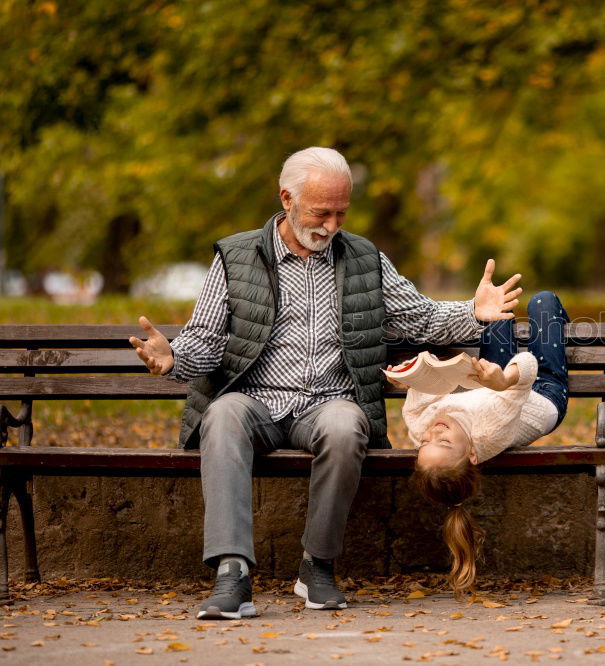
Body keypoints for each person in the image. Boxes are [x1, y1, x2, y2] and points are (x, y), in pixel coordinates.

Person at [128, 147, 522, 619]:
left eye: (341, 212)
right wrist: (173, 358)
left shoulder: (363, 258)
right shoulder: (236, 256)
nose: (332, 225)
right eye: (321, 213)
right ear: (286, 199)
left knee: (345, 424)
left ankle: (318, 564)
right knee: (222, 413)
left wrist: (472, 313)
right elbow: (207, 338)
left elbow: (419, 316)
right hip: (256, 401)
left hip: (329, 401)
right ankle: (231, 572)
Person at [387, 290, 569, 596]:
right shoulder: (490, 429)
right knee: (543, 302)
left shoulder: (422, 429)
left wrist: (414, 375)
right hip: (539, 395)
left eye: (426, 442)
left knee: (495, 317)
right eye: (443, 441)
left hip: (485, 390)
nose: (434, 430)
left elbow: (422, 399)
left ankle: (499, 365)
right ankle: (554, 325)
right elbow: (527, 367)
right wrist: (504, 381)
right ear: (472, 453)